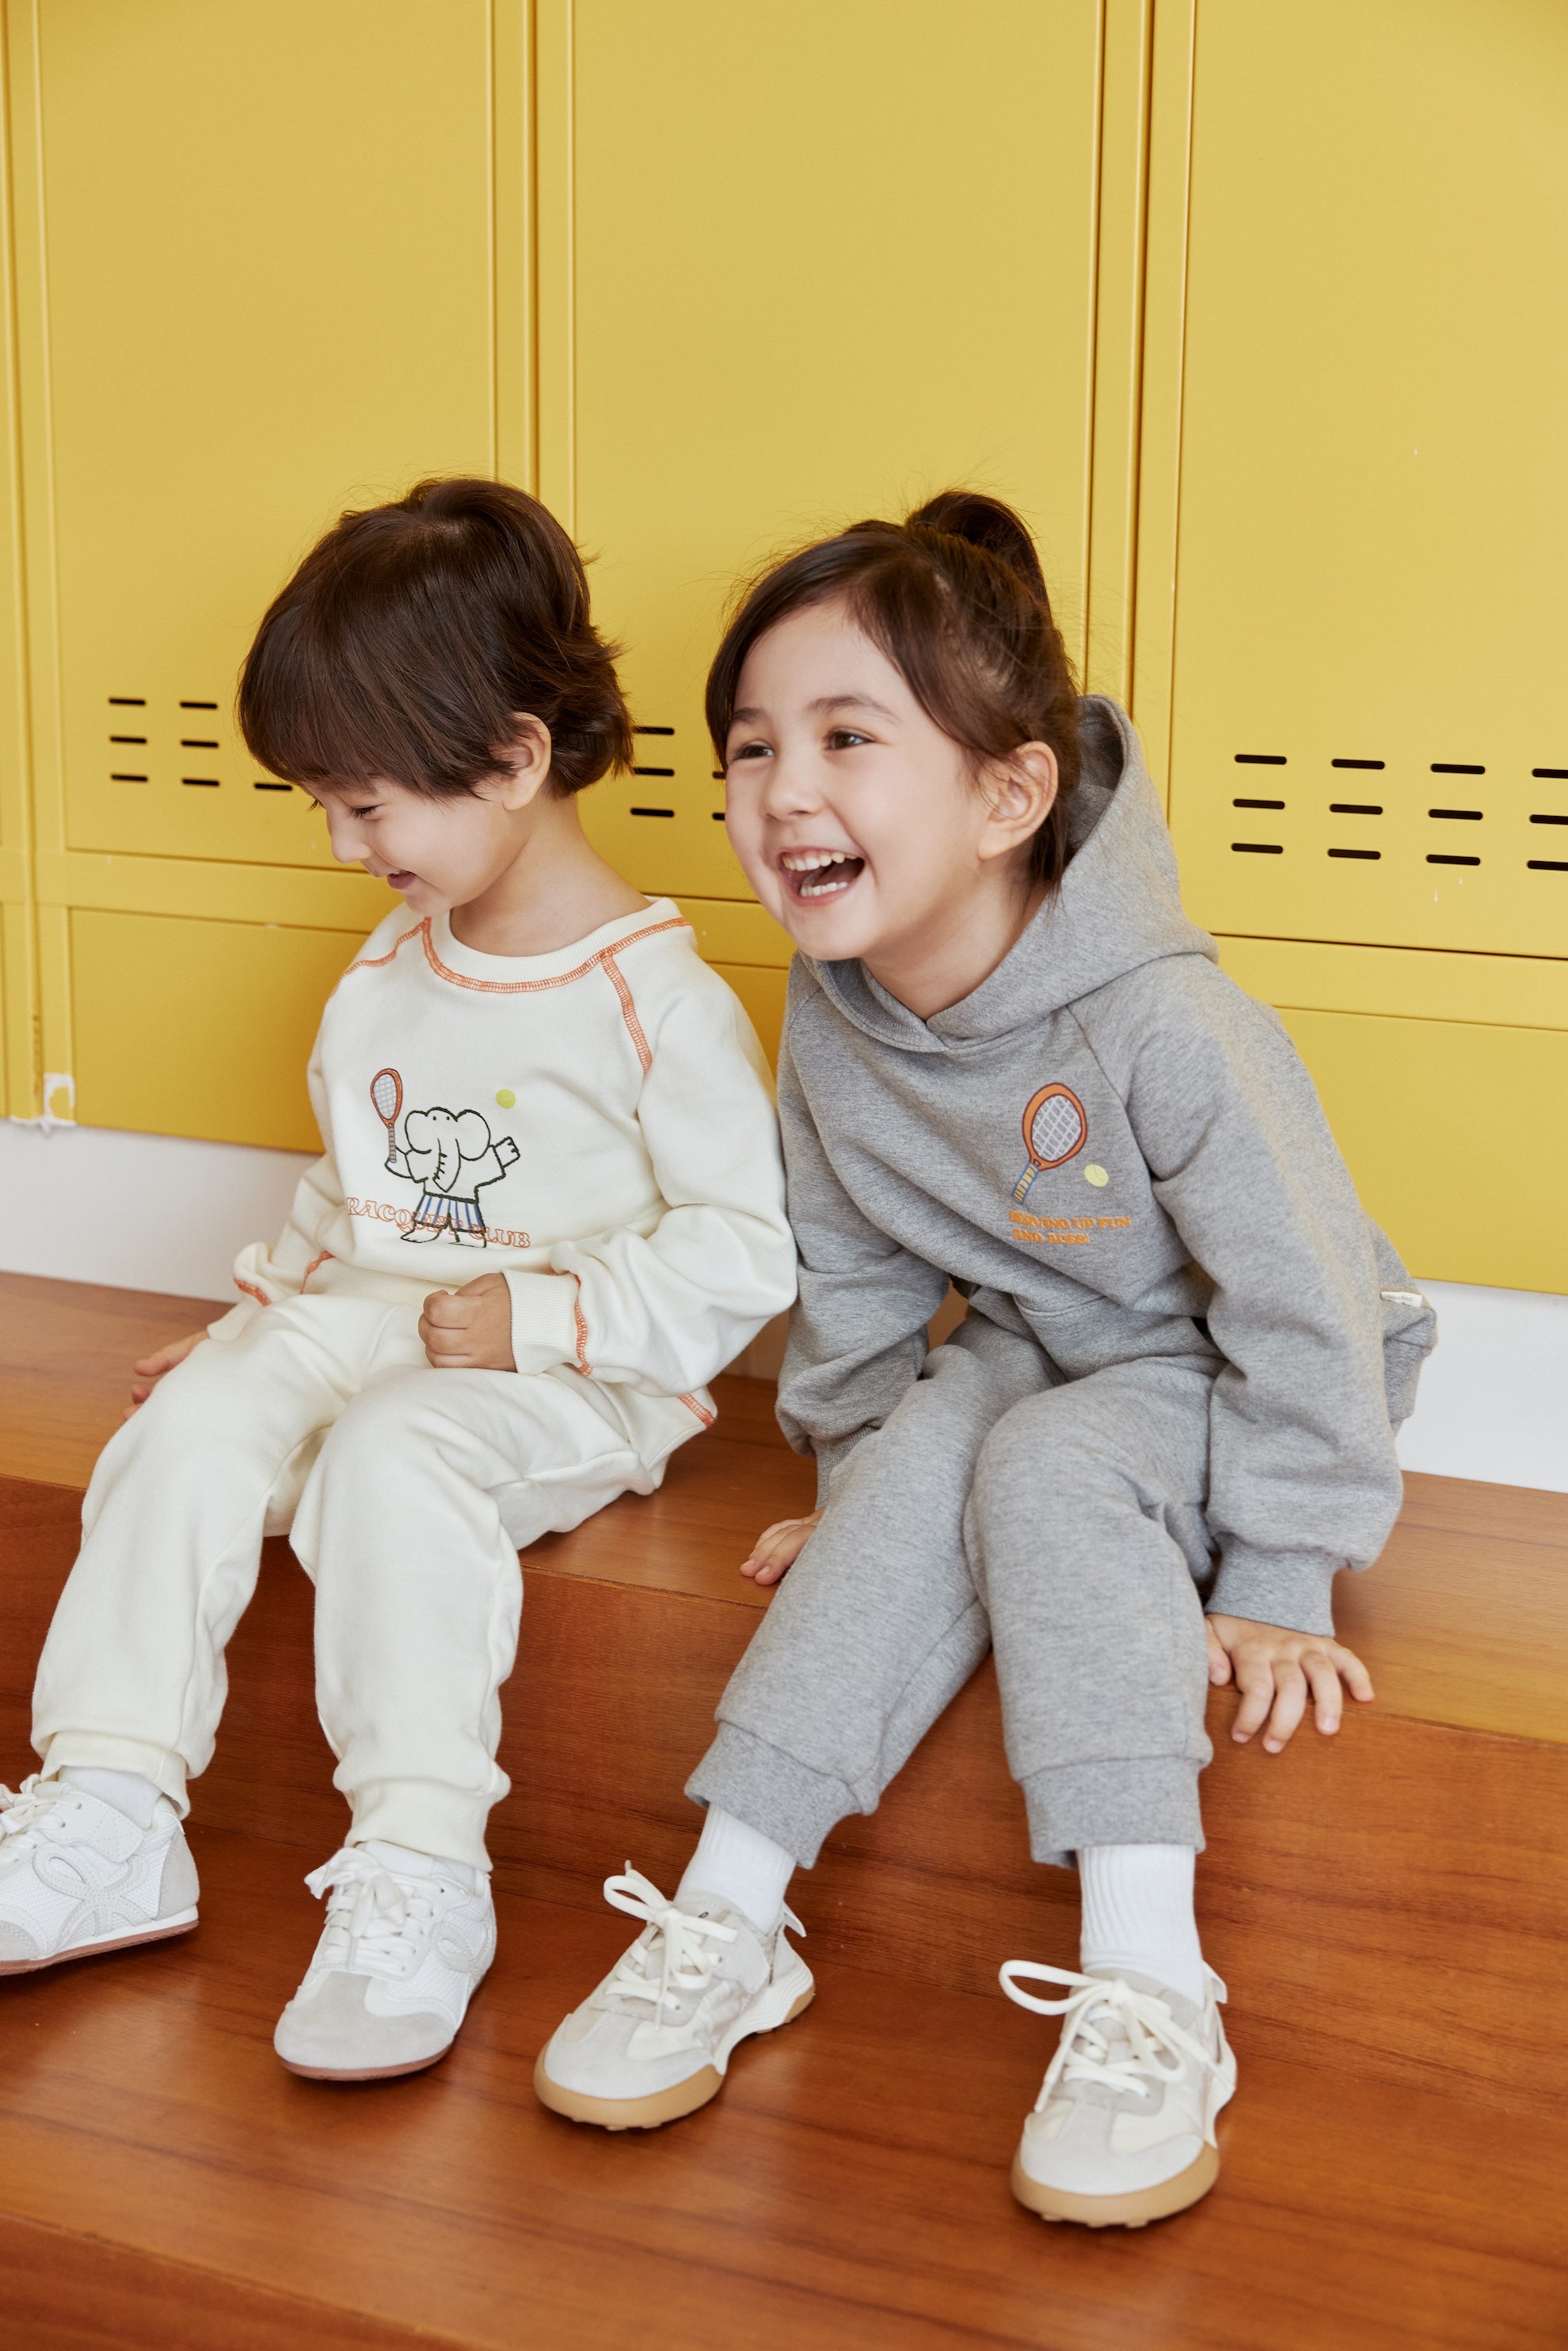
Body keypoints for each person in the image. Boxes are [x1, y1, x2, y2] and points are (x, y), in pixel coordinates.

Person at [533, 490, 1436, 2227]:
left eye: (848, 739)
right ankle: (729, 1912)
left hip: (1245, 1368)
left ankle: (1155, 1980)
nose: (784, 789)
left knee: (1047, 1466)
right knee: (938, 1446)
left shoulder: (1162, 1015)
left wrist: (1284, 1566)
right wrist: (860, 1485)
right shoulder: (836, 1003)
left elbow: (1305, 1296)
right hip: (1047, 1338)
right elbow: (857, 1270)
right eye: (752, 746)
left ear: (1009, 795)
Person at [0, 478, 796, 2082]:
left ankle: (421, 1862)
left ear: (514, 757)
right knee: (201, 1420)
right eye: (326, 807)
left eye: (367, 806)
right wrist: (256, 1322)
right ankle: (108, 1804)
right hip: (369, 1316)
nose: (346, 845)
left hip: (568, 1374)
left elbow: (741, 1248)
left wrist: (545, 1315)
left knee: (391, 1448)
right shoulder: (387, 970)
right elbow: (346, 1185)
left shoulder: (654, 996)